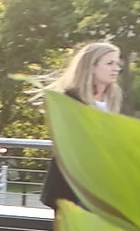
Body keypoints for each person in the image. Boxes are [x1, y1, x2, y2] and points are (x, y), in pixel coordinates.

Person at [37, 41, 123, 218]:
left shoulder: (112, 98)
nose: (116, 68)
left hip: (102, 187)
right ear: (91, 66)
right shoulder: (69, 100)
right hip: (73, 188)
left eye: (117, 63)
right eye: (109, 63)